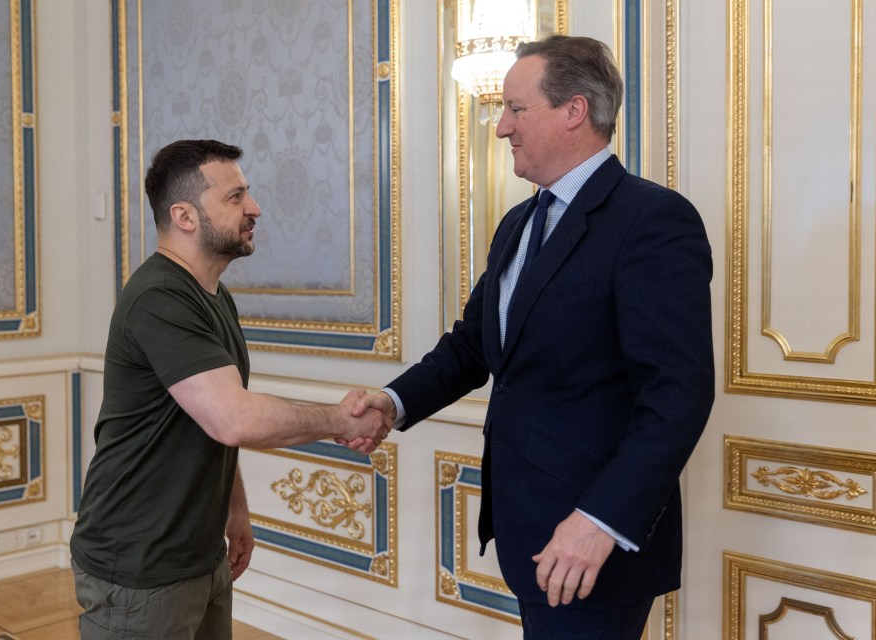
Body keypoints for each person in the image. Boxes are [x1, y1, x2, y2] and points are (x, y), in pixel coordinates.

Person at [351, 34, 714, 639]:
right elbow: (474, 344)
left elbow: (677, 393)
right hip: (528, 525)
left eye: (516, 110)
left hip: (590, 540)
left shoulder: (652, 220)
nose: (500, 128)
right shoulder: (520, 221)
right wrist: (391, 403)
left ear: (574, 110)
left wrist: (599, 520)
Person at [70, 139, 392, 640]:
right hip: (137, 566)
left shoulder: (212, 296)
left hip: (198, 554)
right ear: (185, 216)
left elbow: (210, 421)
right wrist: (340, 420)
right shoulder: (160, 298)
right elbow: (234, 418)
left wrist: (235, 509)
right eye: (236, 196)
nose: (255, 208)